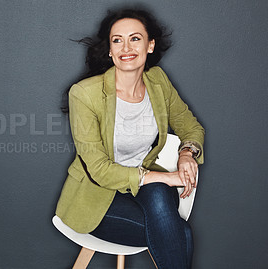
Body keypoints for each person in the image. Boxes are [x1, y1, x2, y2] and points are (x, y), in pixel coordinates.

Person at [55, 7, 205, 269]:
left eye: (135, 38)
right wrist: (168, 177)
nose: (126, 47)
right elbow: (99, 170)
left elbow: (191, 126)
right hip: (96, 197)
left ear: (150, 45)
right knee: (180, 232)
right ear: (110, 50)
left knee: (160, 195)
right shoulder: (84, 94)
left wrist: (186, 153)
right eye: (117, 40)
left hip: (145, 189)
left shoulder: (158, 81)